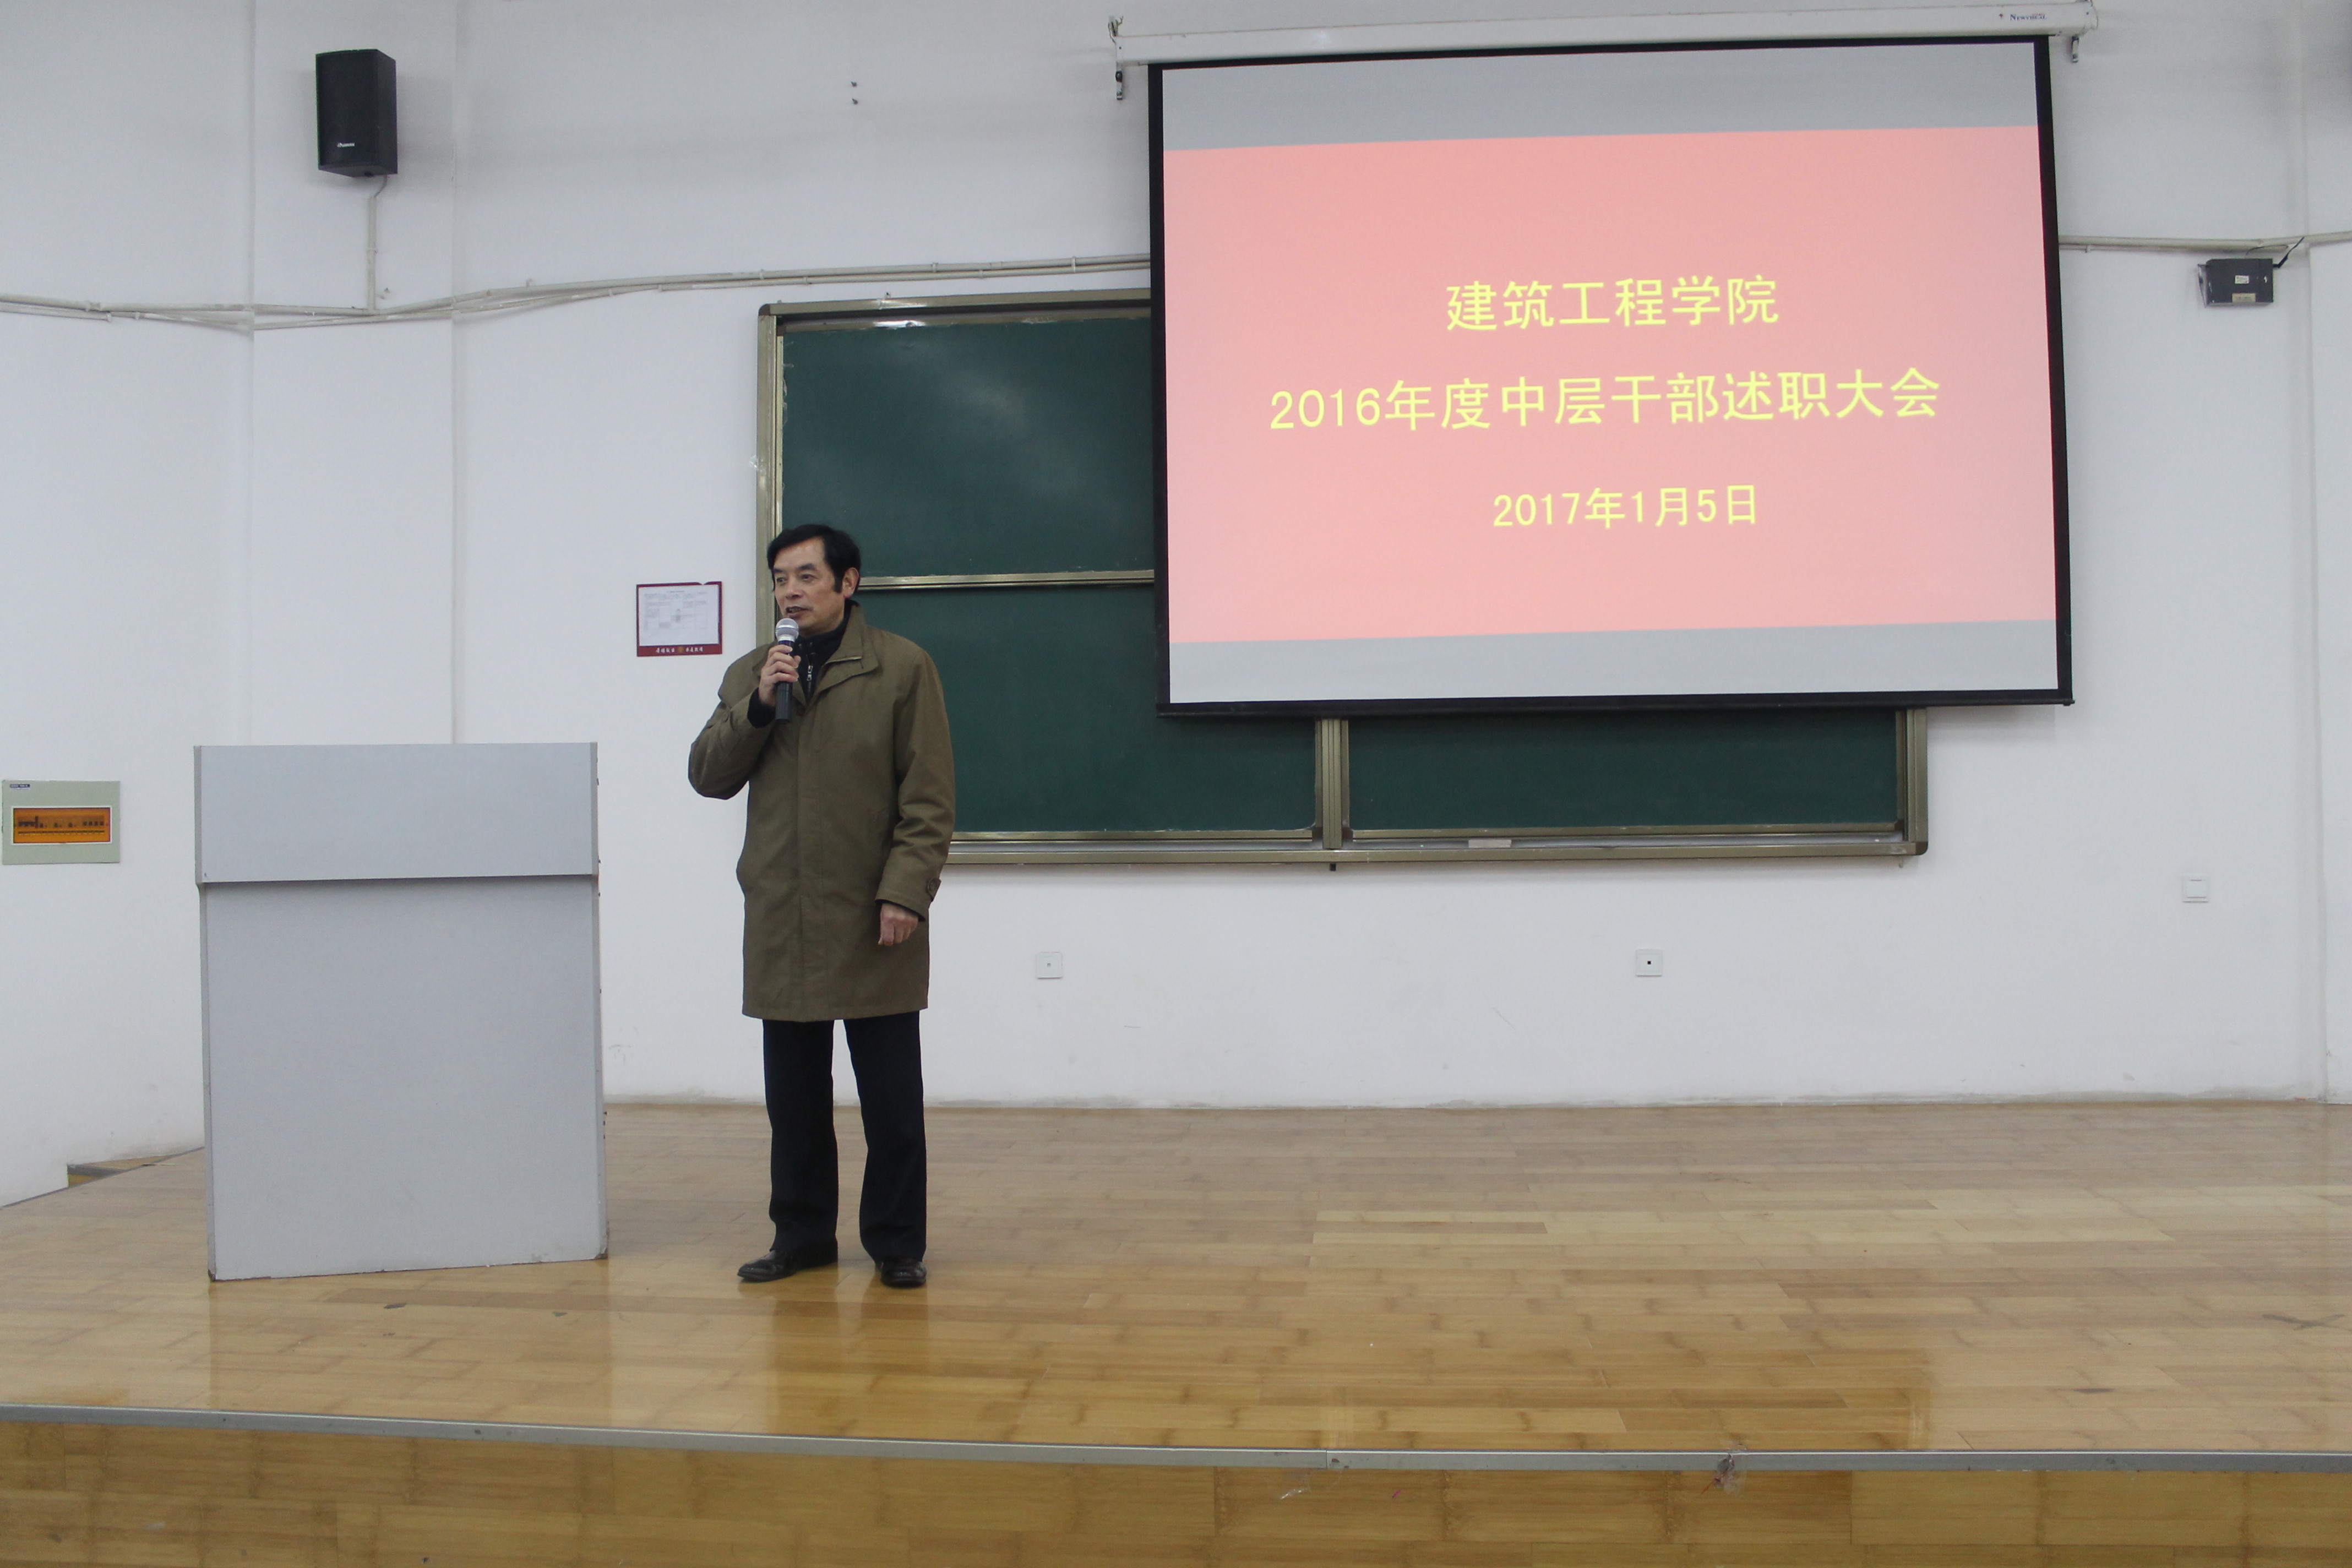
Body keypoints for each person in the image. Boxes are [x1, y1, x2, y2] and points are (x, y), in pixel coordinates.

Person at [688, 524, 954, 1289]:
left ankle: (897, 1244)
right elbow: (708, 775)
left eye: (807, 576)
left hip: (874, 913)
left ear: (848, 582)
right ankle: (801, 1237)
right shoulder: (753, 672)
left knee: (891, 1103)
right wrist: (759, 706)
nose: (791, 592)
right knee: (795, 1104)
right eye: (781, 579)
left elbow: (929, 798)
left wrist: (905, 892)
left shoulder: (902, 668)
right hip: (784, 912)